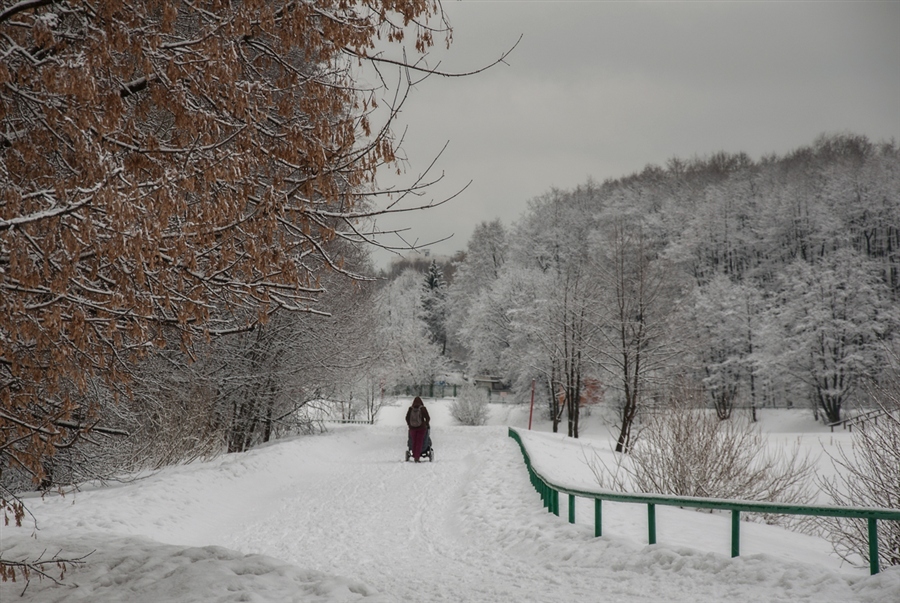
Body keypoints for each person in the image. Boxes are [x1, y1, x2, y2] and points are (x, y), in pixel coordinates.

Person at [405, 396, 431, 462]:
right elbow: (428, 418)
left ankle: (414, 454)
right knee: (419, 442)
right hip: (421, 428)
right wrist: (425, 423)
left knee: (413, 441)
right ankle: (417, 457)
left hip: (412, 428)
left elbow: (407, 418)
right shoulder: (423, 408)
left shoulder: (410, 409)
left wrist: (409, 425)